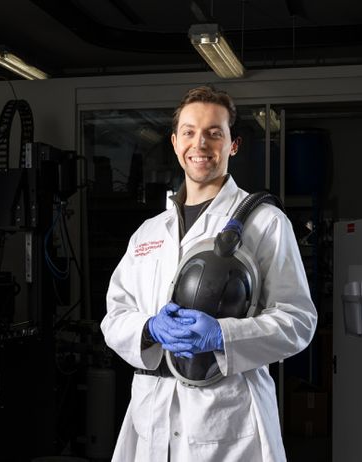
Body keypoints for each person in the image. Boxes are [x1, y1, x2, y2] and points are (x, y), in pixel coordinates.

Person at [100, 85, 317, 462]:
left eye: (214, 133)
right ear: (174, 142)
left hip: (227, 423)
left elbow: (298, 321)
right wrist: (149, 328)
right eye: (189, 132)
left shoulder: (264, 223)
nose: (200, 144)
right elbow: (114, 316)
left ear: (233, 144)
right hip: (150, 419)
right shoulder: (149, 232)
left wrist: (223, 335)